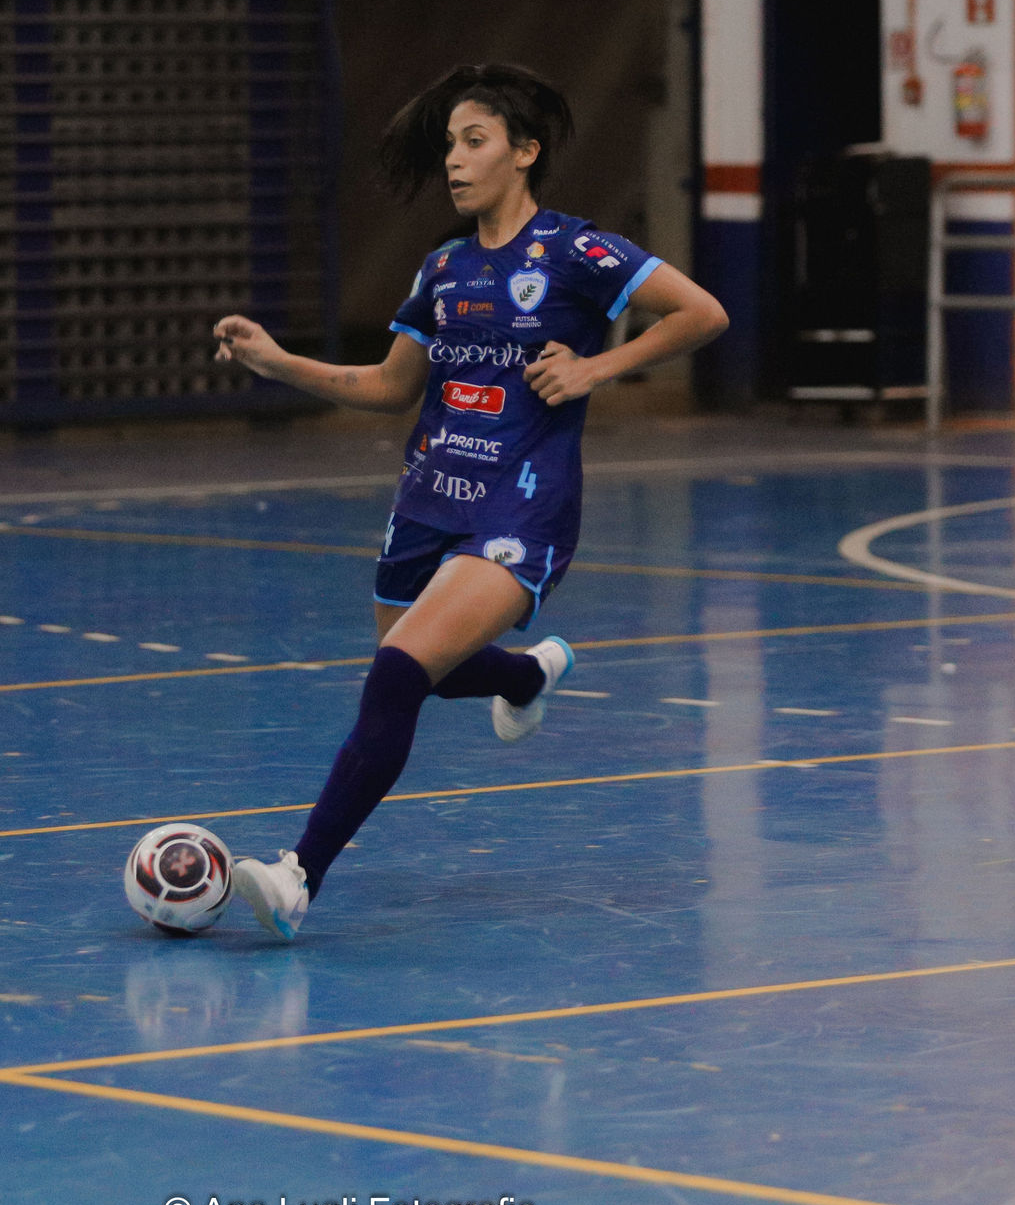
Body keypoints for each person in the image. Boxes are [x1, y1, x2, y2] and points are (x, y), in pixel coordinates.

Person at [210, 63, 729, 940]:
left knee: (397, 673)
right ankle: (527, 673)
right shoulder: (444, 266)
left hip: (520, 508)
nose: (455, 159)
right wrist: (279, 362)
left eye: (475, 140)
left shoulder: (576, 251)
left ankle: (299, 874)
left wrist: (595, 366)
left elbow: (702, 313)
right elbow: (389, 386)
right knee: (418, 670)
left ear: (523, 153)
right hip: (427, 498)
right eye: (450, 143)